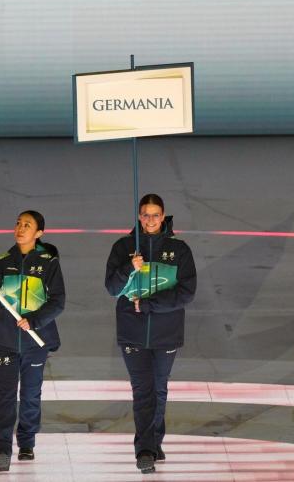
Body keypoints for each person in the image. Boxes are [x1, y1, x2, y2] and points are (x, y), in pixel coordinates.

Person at [104, 194, 196, 474]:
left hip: (166, 332)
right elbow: (112, 288)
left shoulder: (179, 249)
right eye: (146, 214)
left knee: (159, 387)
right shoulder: (123, 247)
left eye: (156, 215)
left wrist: (150, 304)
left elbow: (186, 293)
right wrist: (128, 268)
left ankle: (155, 440)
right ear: (139, 216)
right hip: (132, 331)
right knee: (143, 389)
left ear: (163, 216)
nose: (151, 220)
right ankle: (144, 450)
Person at [0, 210, 65, 472]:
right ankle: (1, 448)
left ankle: (27, 442)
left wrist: (34, 320)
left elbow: (58, 302)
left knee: (31, 394)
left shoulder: (49, 263)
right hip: (6, 340)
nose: (20, 228)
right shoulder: (2, 261)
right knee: (5, 395)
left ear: (39, 233)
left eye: (27, 225)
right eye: (18, 224)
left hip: (35, 340)